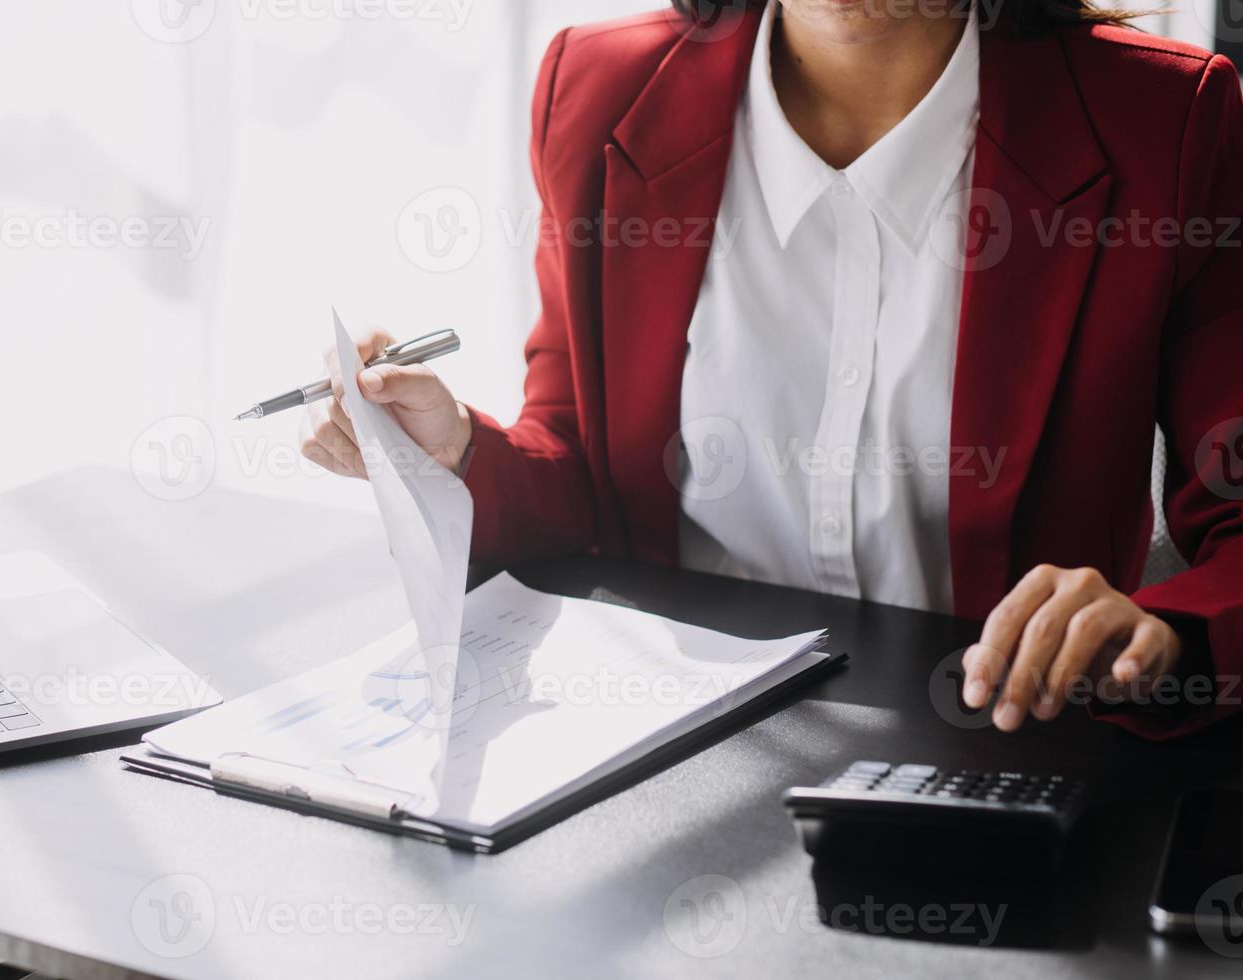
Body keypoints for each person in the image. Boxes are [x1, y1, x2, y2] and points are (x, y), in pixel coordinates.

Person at [301, 0, 1243, 739]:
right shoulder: (598, 89)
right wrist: (459, 449)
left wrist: (1164, 634)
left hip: (995, 758)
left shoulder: (1165, 122)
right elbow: (586, 469)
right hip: (664, 750)